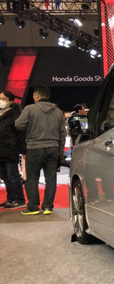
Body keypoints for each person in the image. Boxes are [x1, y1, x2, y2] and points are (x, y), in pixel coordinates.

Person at [14, 85, 65, 215]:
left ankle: (33, 207)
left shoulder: (30, 109)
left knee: (32, 178)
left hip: (34, 148)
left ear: (36, 95)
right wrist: (60, 151)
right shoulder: (58, 112)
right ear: (48, 96)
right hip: (53, 148)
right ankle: (48, 207)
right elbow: (62, 133)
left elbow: (18, 125)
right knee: (51, 179)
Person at [0, 90, 27, 210]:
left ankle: (19, 199)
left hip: (10, 148)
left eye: (3, 99)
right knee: (4, 176)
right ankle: (10, 198)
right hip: (1, 149)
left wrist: (21, 147)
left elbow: (20, 132)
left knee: (12, 175)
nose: (1, 101)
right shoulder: (1, 113)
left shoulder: (15, 114)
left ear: (10, 101)